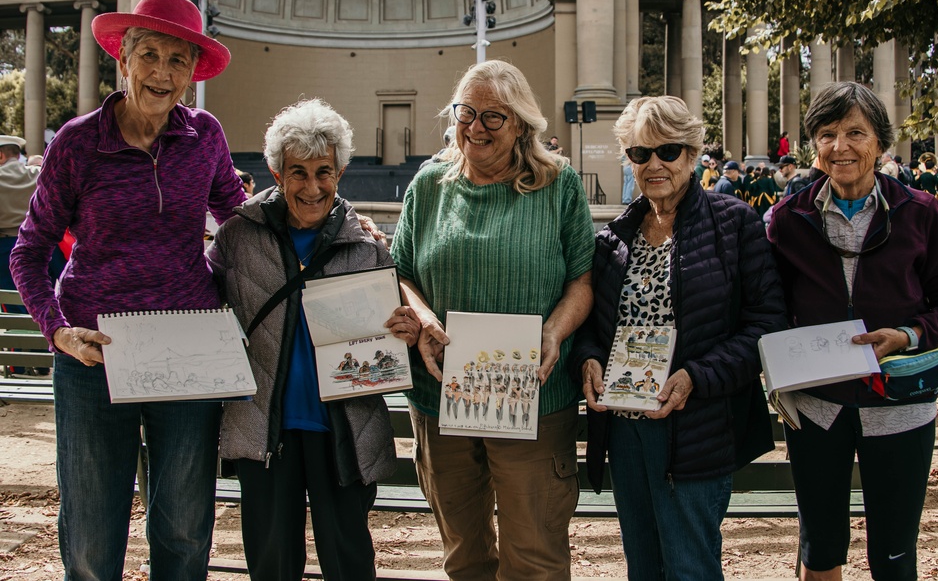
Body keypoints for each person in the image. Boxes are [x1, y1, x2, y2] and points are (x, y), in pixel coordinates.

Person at [9, 0, 246, 579]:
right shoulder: (77, 143)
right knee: (90, 534)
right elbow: (29, 249)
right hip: (95, 354)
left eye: (178, 61)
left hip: (189, 347)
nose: (162, 74)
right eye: (151, 56)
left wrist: (325, 216)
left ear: (192, 73)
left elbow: (240, 220)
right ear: (124, 58)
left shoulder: (205, 135)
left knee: (185, 529)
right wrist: (58, 332)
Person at [390, 60, 595, 580]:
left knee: (536, 558)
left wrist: (554, 330)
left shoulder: (560, 186)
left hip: (534, 399)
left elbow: (581, 282)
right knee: (465, 557)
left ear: (522, 124)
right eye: (466, 112)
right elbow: (402, 274)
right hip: (441, 400)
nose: (474, 127)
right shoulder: (430, 183)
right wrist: (425, 317)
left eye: (493, 118)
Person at [767, 82, 938, 581]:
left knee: (894, 554)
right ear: (813, 146)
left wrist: (906, 335)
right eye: (826, 134)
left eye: (855, 133)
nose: (840, 147)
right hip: (817, 407)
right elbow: (768, 311)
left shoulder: (921, 213)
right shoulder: (787, 220)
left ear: (880, 143)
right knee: (819, 550)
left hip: (900, 405)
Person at [570, 95, 785, 581]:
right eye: (639, 153)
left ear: (692, 155)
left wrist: (696, 376)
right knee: (643, 566)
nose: (653, 164)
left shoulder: (734, 225)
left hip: (696, 426)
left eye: (667, 151)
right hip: (625, 430)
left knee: (690, 566)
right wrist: (587, 360)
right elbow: (592, 329)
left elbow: (766, 324)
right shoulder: (612, 240)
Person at [207, 98, 420, 580]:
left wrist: (404, 334)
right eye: (297, 172)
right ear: (276, 173)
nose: (311, 186)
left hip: (342, 429)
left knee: (347, 559)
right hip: (265, 429)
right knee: (272, 560)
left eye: (324, 171)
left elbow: (386, 343)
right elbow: (202, 301)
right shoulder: (239, 236)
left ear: (341, 172)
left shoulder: (366, 247)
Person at [0, 135, 38, 313]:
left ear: (1, 156)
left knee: (13, 303)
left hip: (5, 247)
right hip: (41, 246)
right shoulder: (39, 173)